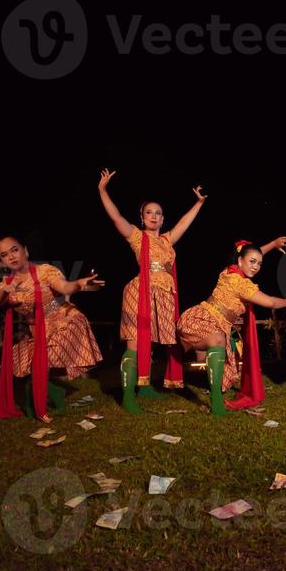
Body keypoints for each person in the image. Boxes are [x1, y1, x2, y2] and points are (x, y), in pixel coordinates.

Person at [98, 169, 209, 413]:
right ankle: (128, 397)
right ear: (141, 217)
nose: (154, 216)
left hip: (165, 294)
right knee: (136, 343)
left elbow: (184, 223)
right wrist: (102, 190)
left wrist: (198, 203)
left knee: (155, 342)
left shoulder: (168, 240)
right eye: (149, 212)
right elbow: (116, 217)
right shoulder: (138, 237)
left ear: (162, 219)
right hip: (141, 292)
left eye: (158, 213)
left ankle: (145, 385)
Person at [177, 240, 286, 416]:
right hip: (199, 319)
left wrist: (273, 244)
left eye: (259, 264)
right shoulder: (237, 280)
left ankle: (212, 387)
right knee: (218, 340)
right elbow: (270, 302)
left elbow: (251, 253)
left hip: (218, 326)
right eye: (252, 262)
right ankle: (216, 402)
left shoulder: (230, 270)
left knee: (220, 348)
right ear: (239, 261)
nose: (256, 267)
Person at [0, 236, 103, 421]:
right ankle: (53, 393)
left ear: (25, 251)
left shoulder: (44, 272)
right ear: (2, 260)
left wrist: (78, 284)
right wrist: (6, 290)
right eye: (4, 255)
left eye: (14, 250)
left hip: (64, 321)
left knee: (39, 364)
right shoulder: (7, 283)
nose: (11, 257)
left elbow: (64, 287)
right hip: (37, 331)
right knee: (24, 365)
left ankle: (36, 402)